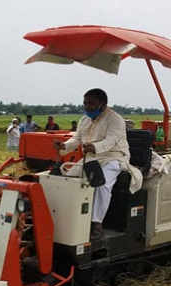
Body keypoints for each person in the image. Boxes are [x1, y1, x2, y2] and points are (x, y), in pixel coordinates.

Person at [53, 88, 143, 240]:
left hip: (114, 157)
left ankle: (96, 224)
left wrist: (95, 147)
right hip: (92, 158)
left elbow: (111, 141)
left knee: (102, 184)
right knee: (68, 179)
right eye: (85, 103)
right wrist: (64, 146)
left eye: (91, 103)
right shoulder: (84, 120)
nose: (87, 107)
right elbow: (76, 140)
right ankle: (70, 218)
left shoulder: (115, 119)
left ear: (103, 104)